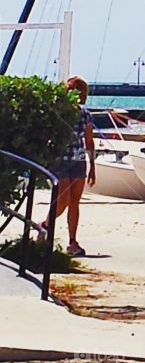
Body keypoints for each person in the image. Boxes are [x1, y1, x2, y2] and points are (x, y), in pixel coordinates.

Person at [40, 75, 95, 256]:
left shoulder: (85, 114)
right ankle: (46, 225)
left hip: (78, 159)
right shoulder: (59, 112)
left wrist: (92, 166)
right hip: (60, 160)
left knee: (75, 202)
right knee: (62, 200)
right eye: (70, 89)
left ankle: (72, 241)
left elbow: (89, 141)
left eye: (77, 90)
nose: (73, 93)